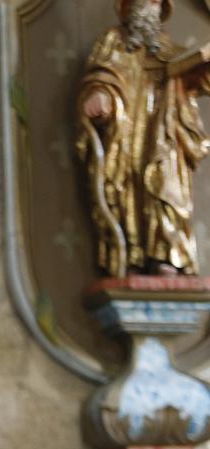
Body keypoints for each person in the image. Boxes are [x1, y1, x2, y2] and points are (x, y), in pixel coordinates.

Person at [77, 0, 210, 276]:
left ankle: (168, 257)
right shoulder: (114, 40)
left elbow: (196, 78)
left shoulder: (168, 46)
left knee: (166, 187)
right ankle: (131, 257)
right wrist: (100, 93)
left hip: (165, 133)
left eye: (155, 0)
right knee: (127, 189)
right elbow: (102, 73)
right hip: (125, 134)